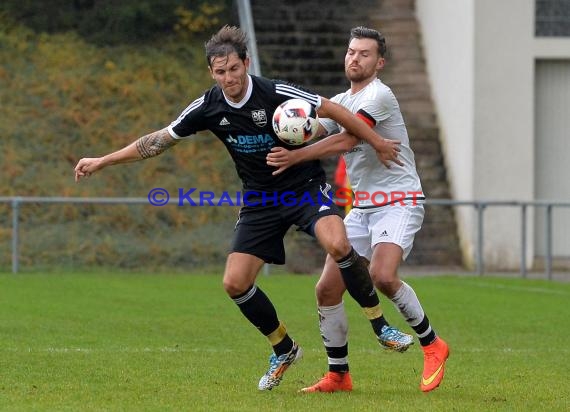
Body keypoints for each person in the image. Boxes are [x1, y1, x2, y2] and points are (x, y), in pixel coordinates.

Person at [74, 25, 412, 391]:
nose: (229, 78)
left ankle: (381, 325)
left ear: (245, 64)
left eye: (234, 69)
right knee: (234, 283)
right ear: (211, 72)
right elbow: (158, 141)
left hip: (304, 189)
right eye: (220, 72)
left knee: (338, 245)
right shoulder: (208, 106)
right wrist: (103, 160)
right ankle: (283, 347)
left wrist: (376, 141)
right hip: (260, 200)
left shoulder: (274, 92)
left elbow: (332, 110)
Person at [267, 26, 449, 393]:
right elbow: (316, 128)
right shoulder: (340, 100)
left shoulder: (380, 96)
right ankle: (338, 375)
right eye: (351, 51)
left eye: (364, 53)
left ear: (379, 62)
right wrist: (284, 124)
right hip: (363, 208)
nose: (355, 58)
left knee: (383, 276)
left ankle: (433, 345)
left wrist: (297, 154)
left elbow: (348, 137)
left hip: (399, 201)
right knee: (327, 290)